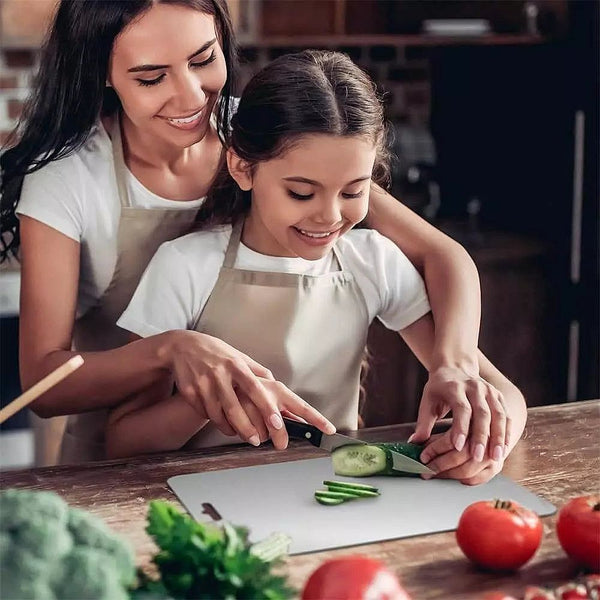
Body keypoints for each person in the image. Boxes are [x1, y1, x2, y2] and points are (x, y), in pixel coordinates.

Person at [1, 0, 510, 466]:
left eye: (203, 60)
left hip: (290, 465)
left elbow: (441, 254)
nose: (191, 95)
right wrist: (172, 351)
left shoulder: (265, 136)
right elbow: (45, 385)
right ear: (103, 75)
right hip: (117, 458)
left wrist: (457, 363)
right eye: (152, 77)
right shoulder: (70, 180)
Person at [111, 50, 526, 485]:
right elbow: (124, 441)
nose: (329, 217)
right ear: (242, 167)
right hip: (205, 495)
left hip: (334, 490)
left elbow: (505, 395)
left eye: (352, 192)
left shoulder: (372, 260)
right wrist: (207, 399)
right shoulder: (186, 266)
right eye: (301, 193)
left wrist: (488, 443)